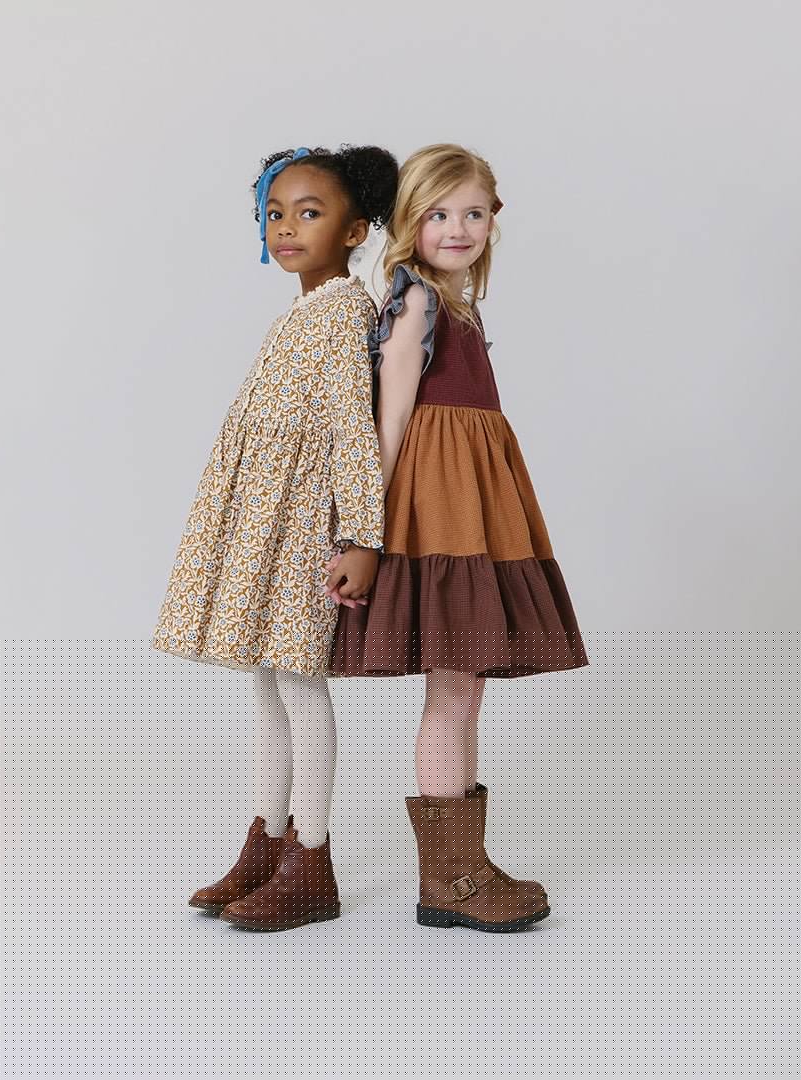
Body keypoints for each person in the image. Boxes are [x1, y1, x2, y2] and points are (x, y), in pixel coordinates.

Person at [329, 143, 589, 932]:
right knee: (452, 687)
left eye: (473, 213)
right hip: (437, 506)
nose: (458, 228)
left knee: (466, 686)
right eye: (439, 214)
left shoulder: (459, 304)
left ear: (493, 219)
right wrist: (363, 528)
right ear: (410, 220)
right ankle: (449, 880)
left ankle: (463, 864)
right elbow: (390, 417)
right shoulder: (416, 301)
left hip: (472, 497)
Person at [153, 144, 399, 930]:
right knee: (265, 679)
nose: (287, 226)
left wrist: (361, 536)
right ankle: (267, 842)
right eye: (275, 213)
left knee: (297, 680)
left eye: (310, 213)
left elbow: (353, 431)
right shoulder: (300, 311)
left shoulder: (344, 313)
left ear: (355, 231)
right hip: (264, 517)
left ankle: (312, 860)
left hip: (301, 526)